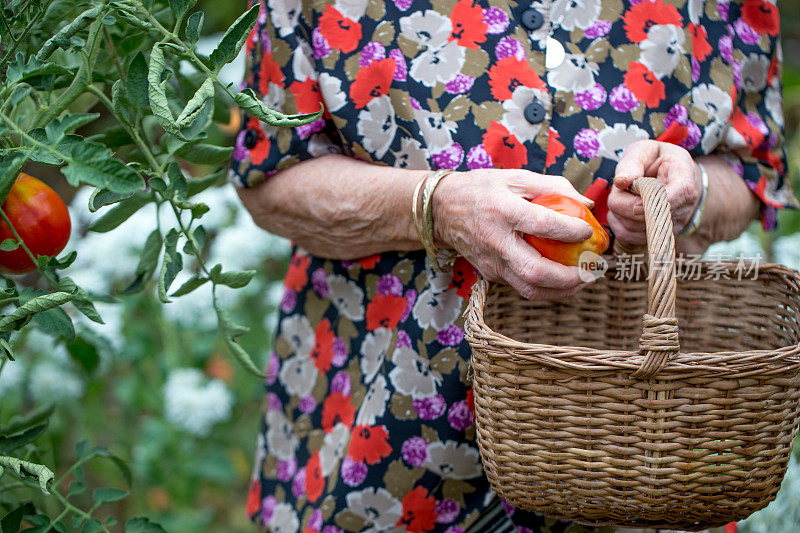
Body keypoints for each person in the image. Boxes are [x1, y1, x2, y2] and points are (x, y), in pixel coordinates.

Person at [230, 1, 796, 532]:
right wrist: (435, 206)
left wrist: (688, 194)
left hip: (640, 446)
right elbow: (271, 175)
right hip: (386, 439)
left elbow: (753, 172)